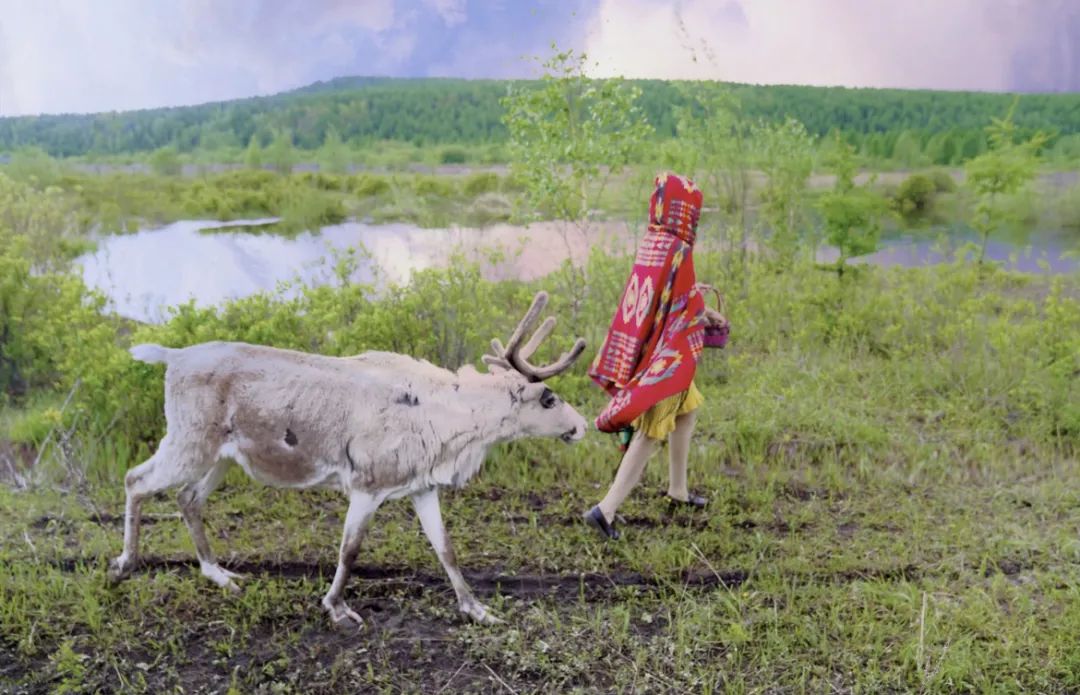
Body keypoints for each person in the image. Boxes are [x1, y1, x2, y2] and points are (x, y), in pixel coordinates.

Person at [583, 172, 725, 540]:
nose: (694, 219)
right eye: (691, 211)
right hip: (669, 358)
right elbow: (683, 302)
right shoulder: (678, 248)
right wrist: (706, 313)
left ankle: (678, 490)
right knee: (651, 432)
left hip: (656, 346)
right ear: (681, 210)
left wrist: (699, 308)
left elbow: (666, 296)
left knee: (687, 412)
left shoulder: (654, 241)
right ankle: (605, 509)